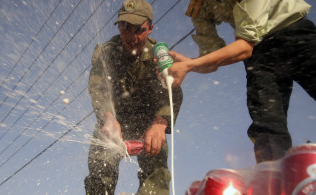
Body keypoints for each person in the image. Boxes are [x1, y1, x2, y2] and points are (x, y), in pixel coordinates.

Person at [168, 0, 316, 163]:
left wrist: (190, 65)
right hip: (260, 54)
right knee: (266, 126)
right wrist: (188, 63)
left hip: (294, 32)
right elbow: (211, 60)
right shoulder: (199, 8)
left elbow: (244, 47)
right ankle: (273, 177)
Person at [84, 0, 183, 194]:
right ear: (118, 25)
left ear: (150, 28)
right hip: (112, 122)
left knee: (156, 180)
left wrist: (160, 123)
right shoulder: (105, 51)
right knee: (99, 176)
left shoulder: (159, 56)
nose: (131, 36)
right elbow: (98, 89)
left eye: (139, 30)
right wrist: (109, 119)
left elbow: (172, 92)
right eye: (125, 28)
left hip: (150, 124)